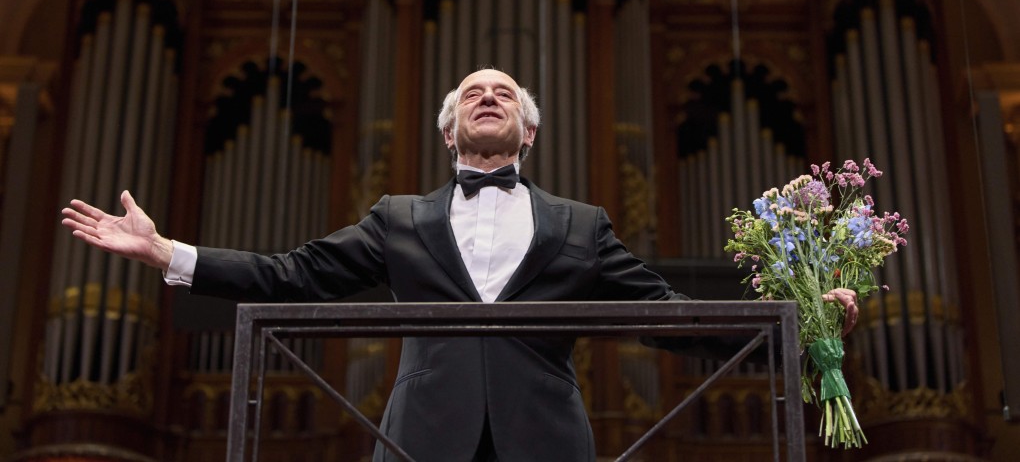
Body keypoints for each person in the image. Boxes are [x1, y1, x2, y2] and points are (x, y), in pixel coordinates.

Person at [63, 68, 857, 462]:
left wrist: (796, 325)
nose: (488, 96)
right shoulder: (396, 218)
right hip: (417, 440)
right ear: (449, 133)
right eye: (472, 92)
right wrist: (169, 252)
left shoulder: (581, 226)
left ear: (528, 133)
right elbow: (292, 276)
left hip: (547, 443)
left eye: (504, 92)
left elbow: (663, 315)